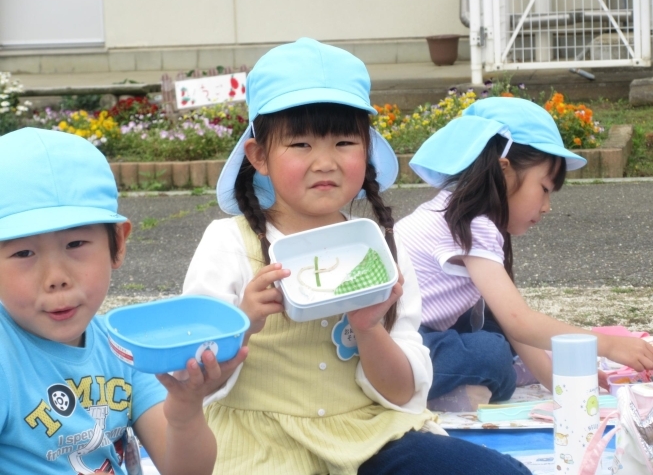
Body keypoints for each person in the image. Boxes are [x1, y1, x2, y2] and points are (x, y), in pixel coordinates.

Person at [183, 38, 531, 475]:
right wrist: (243, 324)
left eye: (344, 142)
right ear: (259, 156)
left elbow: (403, 393)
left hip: (366, 436)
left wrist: (369, 329)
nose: (325, 162)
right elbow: (190, 380)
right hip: (261, 447)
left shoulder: (380, 247)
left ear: (366, 152)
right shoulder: (228, 243)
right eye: (301, 145)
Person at [0, 128, 246, 474]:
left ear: (117, 243)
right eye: (24, 252)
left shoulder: (122, 349)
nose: (55, 276)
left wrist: (185, 410)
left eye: (76, 245)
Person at [395, 97, 653, 412]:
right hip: (395, 348)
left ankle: (462, 384)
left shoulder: (459, 213)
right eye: (544, 189)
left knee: (494, 332)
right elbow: (521, 323)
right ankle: (449, 391)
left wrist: (561, 381)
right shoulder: (473, 225)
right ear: (504, 172)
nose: (547, 206)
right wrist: (610, 345)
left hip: (403, 339)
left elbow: (514, 327)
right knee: (491, 354)